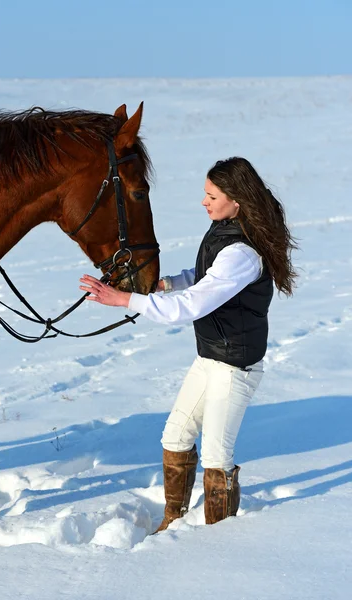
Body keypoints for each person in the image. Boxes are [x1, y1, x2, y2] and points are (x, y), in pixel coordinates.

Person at [79, 156, 297, 532]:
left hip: (235, 366)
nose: (204, 201)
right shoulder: (227, 229)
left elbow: (194, 304)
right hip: (211, 356)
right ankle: (172, 520)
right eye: (205, 193)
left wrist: (124, 300)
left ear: (237, 200)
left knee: (216, 455)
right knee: (176, 435)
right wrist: (167, 284)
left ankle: (217, 539)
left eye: (211, 195)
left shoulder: (242, 252)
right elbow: (203, 277)